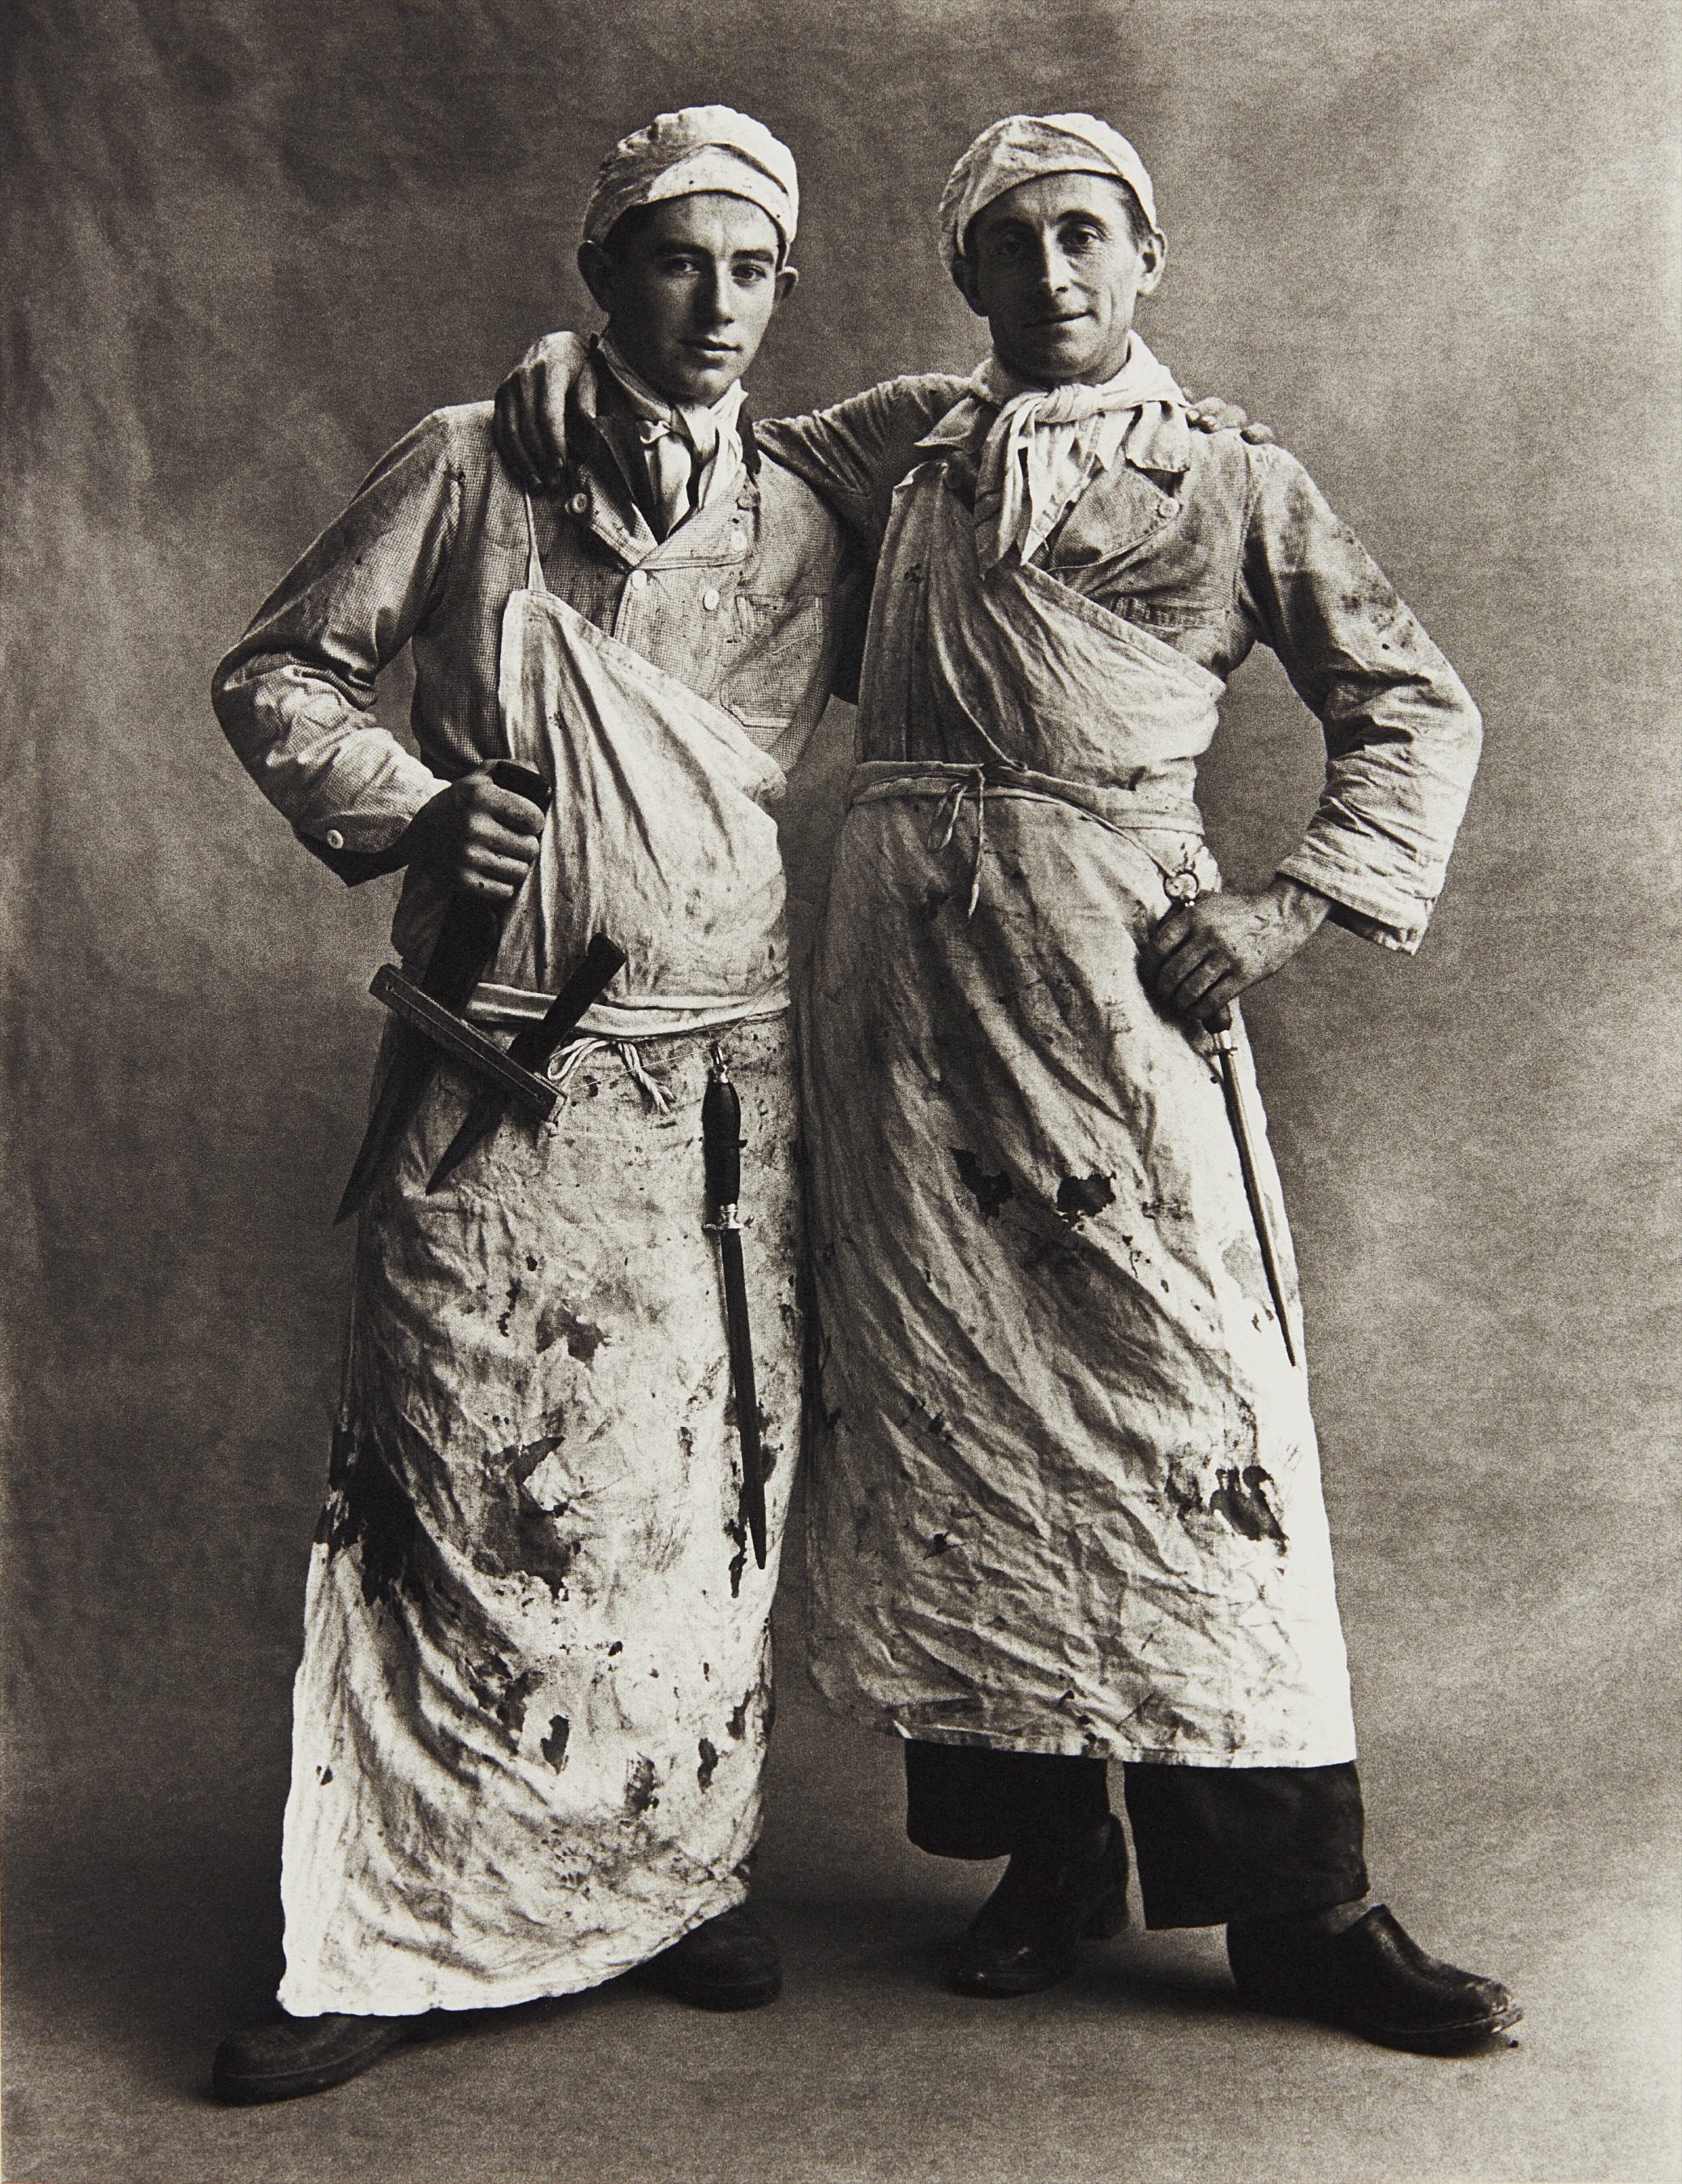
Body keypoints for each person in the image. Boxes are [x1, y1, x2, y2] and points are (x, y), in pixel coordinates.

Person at [494, 112, 1519, 2055]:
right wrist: (568, 379)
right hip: (899, 987)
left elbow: (1408, 700)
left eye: (1086, 240)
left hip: (1106, 979)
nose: (1052, 277)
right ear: (966, 278)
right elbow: (706, 472)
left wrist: (1292, 907)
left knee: (1189, 1397)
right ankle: (1052, 1860)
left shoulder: (1231, 480)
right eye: (1012, 247)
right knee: (954, 1396)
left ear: (1148, 260)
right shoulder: (905, 447)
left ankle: (1298, 1906)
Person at [208, 105, 867, 2105]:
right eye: (679, 261)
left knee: (696, 1483)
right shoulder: (472, 463)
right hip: (507, 1070)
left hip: (724, 1082)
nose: (719, 309)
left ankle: (666, 1875)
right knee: (468, 1473)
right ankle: (402, 1920)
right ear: (604, 273)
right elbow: (279, 674)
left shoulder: (806, 515)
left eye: (755, 270)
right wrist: (418, 802)